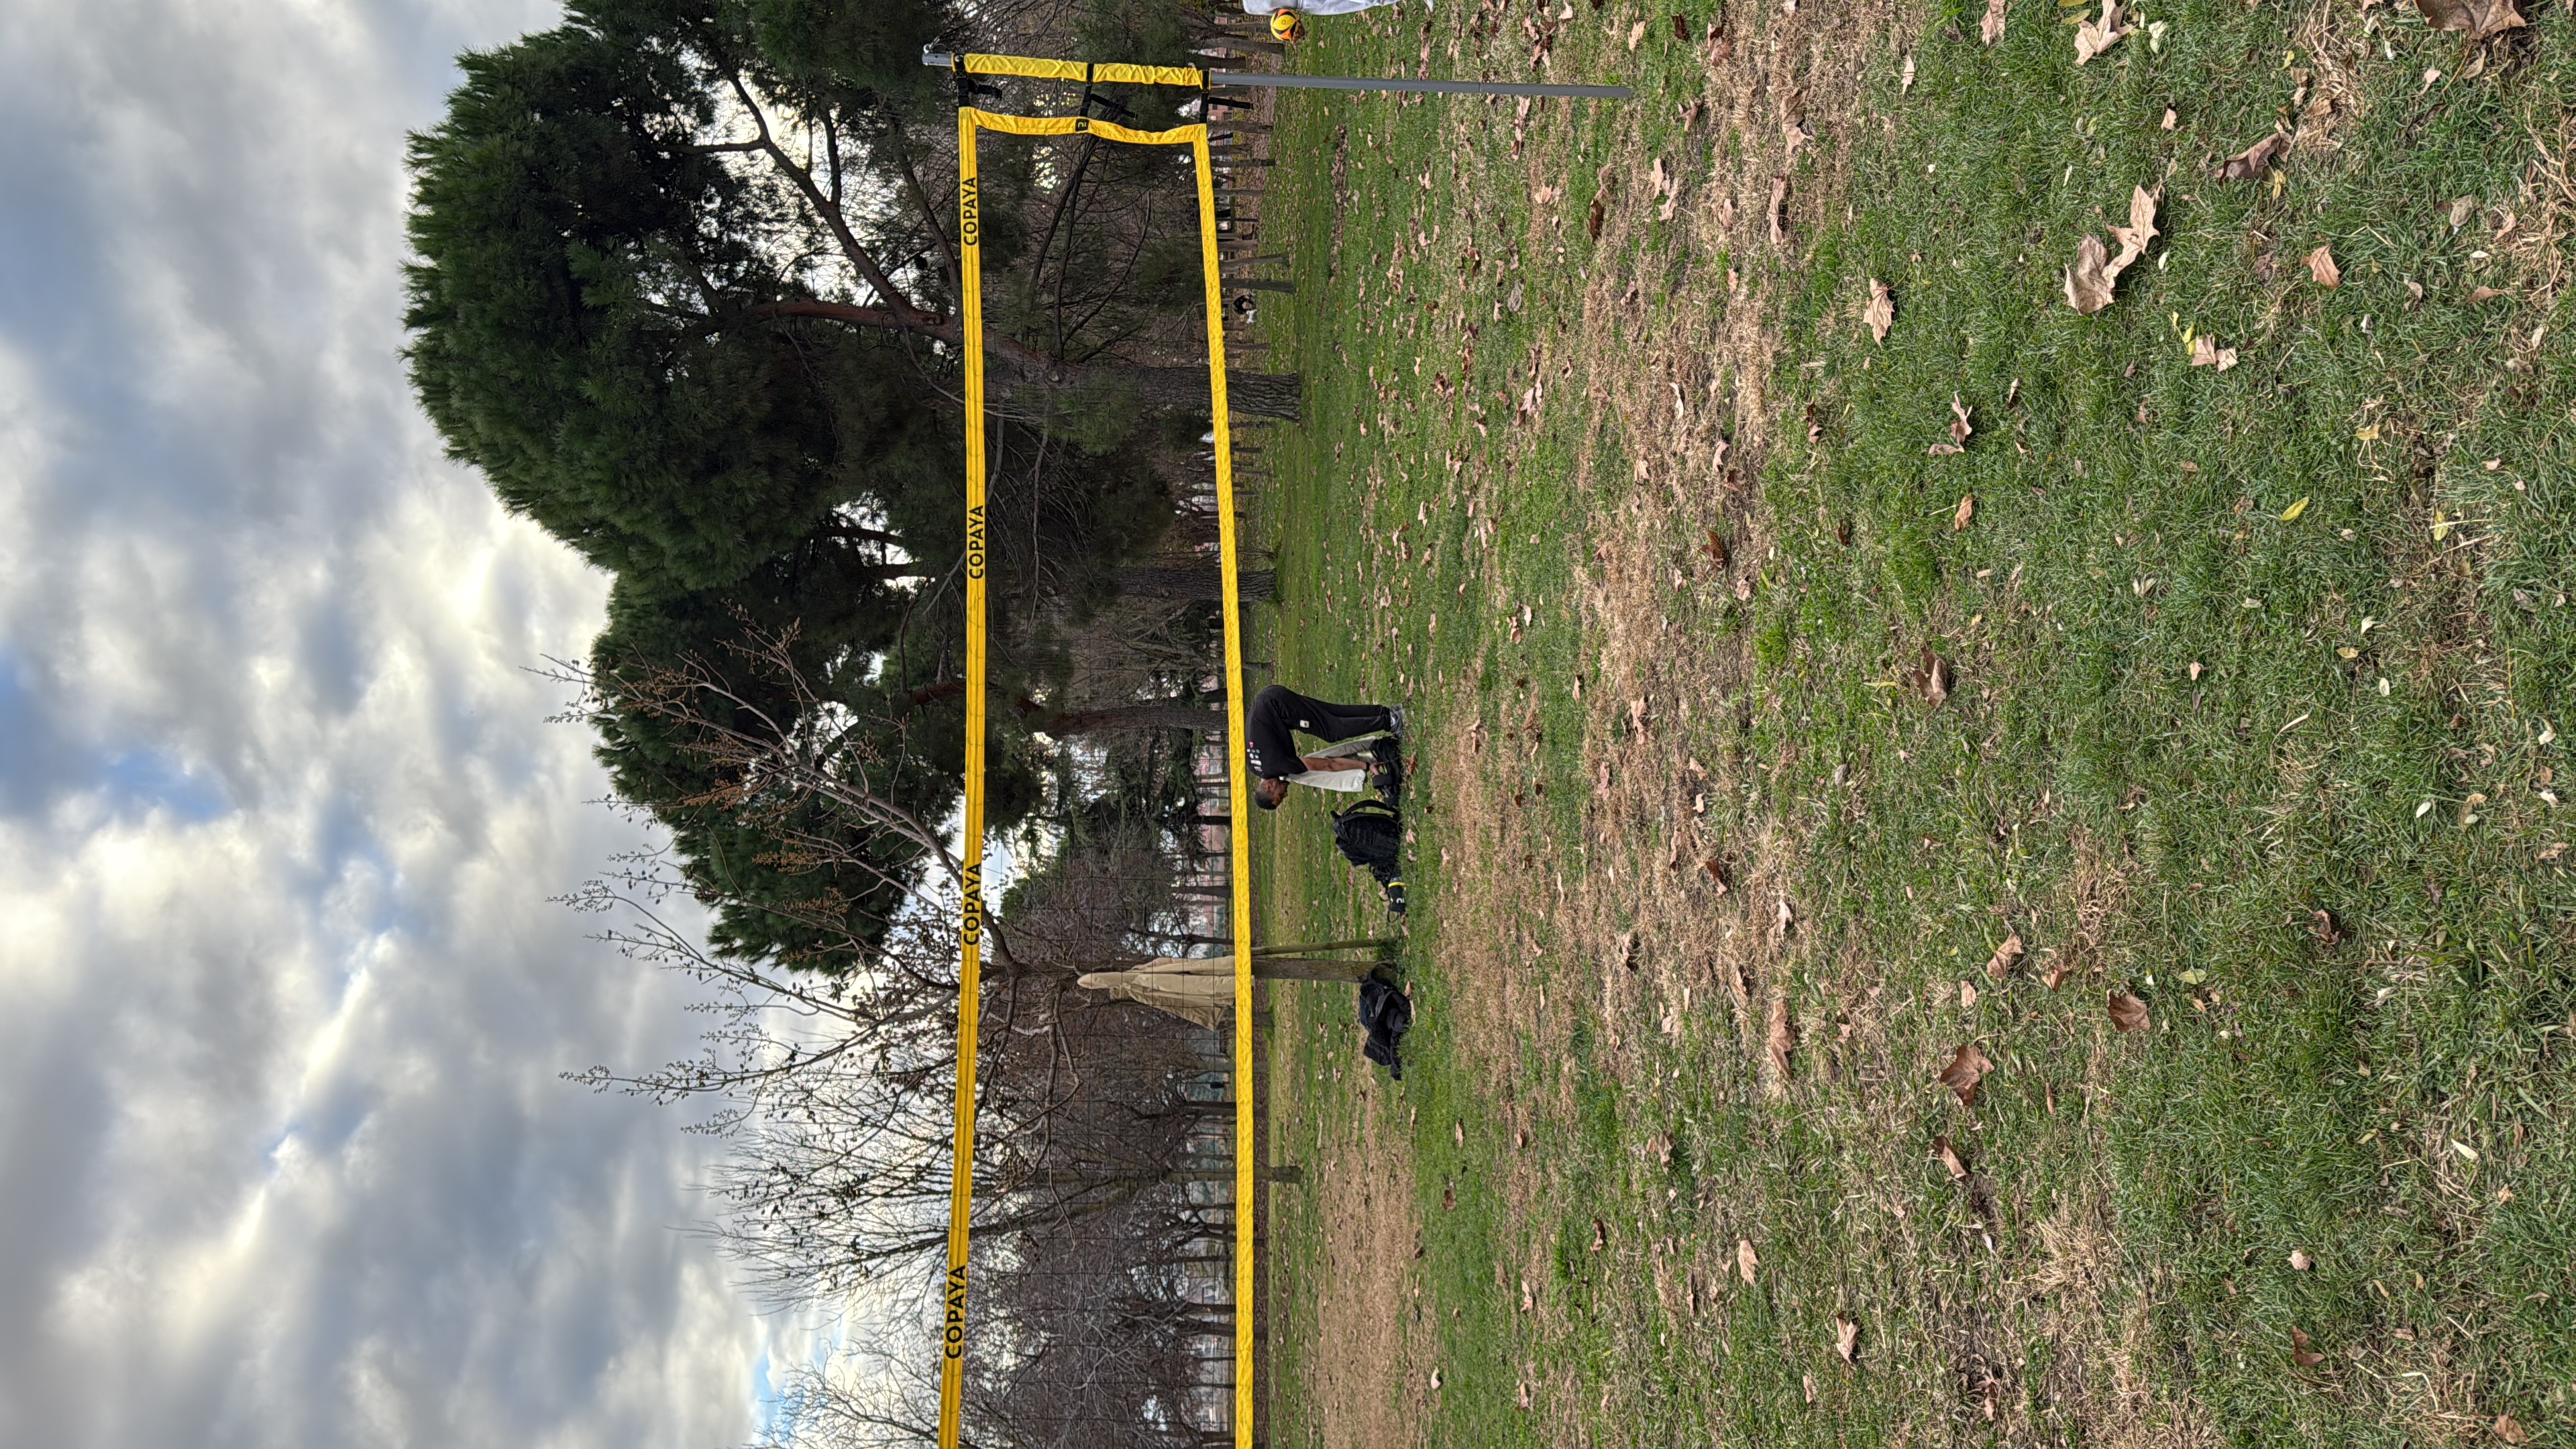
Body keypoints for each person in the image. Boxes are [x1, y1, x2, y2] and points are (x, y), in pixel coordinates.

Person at [1245, 684, 1402, 810]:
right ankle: (1387, 713)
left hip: (1278, 705)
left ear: (1269, 787)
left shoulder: (1280, 765)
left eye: (1280, 796)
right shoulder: (1254, 767)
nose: (1285, 795)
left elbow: (1330, 765)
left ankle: (1392, 722)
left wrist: (1366, 766)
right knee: (1331, 714)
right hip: (1268, 698)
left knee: (1332, 732)